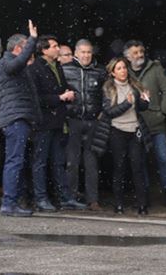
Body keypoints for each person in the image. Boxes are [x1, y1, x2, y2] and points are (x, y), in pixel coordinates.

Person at [28, 35, 86, 212]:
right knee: (40, 162)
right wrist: (59, 98)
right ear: (44, 50)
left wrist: (68, 95)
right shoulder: (35, 69)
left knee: (59, 161)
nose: (57, 49)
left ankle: (64, 197)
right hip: (43, 122)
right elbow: (35, 97)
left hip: (58, 121)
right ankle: (40, 198)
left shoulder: (57, 67)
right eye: (54, 46)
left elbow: (60, 90)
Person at [123, 40, 166, 208]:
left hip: (157, 123)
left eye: (141, 51)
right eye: (135, 53)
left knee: (163, 159)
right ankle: (144, 194)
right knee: (139, 160)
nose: (139, 55)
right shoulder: (123, 70)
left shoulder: (155, 68)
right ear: (127, 56)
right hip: (135, 124)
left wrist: (162, 113)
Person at [0, 20, 41, 217]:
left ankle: (12, 201)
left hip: (20, 118)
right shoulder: (7, 63)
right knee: (14, 161)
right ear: (17, 48)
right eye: (25, 48)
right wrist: (32, 39)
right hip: (16, 119)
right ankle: (9, 203)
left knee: (17, 161)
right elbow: (18, 63)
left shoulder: (15, 66)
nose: (28, 53)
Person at [101, 57, 150, 215]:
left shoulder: (134, 86)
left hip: (134, 130)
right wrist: (126, 104)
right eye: (119, 69)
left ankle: (142, 205)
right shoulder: (109, 88)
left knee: (137, 168)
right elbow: (109, 112)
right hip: (117, 131)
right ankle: (119, 204)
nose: (123, 71)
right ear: (112, 73)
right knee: (119, 167)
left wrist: (145, 101)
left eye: (124, 68)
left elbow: (141, 108)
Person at [62, 39, 106, 210]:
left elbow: (106, 94)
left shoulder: (99, 72)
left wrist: (103, 111)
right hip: (72, 120)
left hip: (93, 120)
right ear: (76, 53)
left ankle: (92, 199)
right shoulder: (65, 70)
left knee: (91, 162)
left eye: (89, 52)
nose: (86, 55)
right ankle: (70, 197)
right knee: (72, 161)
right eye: (83, 52)